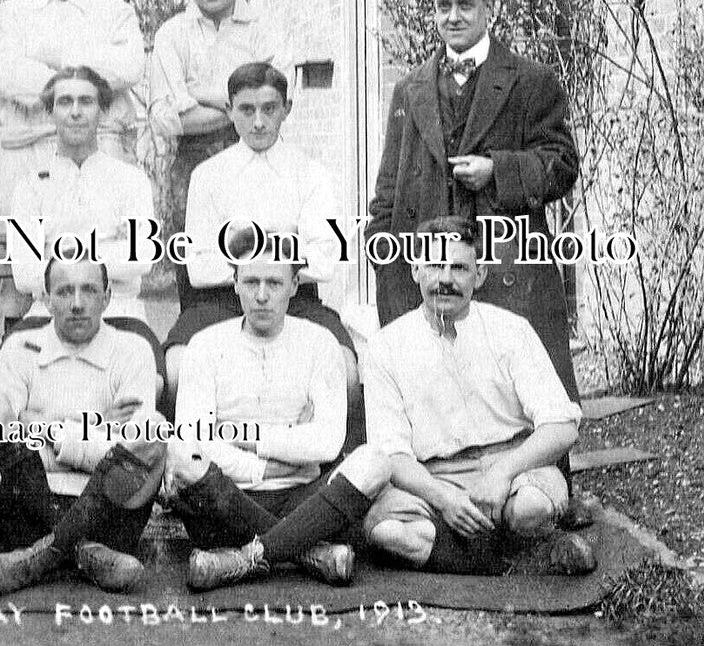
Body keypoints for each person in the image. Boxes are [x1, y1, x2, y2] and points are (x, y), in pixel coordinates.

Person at [365, 0, 580, 422]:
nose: (453, 16)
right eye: (443, 6)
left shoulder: (530, 81)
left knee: (517, 394)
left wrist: (497, 171)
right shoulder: (411, 88)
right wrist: (387, 267)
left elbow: (562, 164)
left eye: (465, 4)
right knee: (431, 400)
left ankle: (534, 479)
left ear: (489, 9)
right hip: (429, 268)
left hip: (506, 265)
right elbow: (387, 191)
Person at [362, 216, 595, 576]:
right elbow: (391, 453)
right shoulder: (385, 346)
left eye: (458, 268)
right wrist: (444, 498)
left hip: (514, 468)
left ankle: (469, 548)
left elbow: (562, 427)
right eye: (434, 266)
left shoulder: (511, 329)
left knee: (531, 507)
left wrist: (503, 473)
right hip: (434, 477)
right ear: (415, 270)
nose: (445, 279)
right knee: (385, 532)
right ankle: (517, 555)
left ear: (480, 274)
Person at [167, 234, 389, 590]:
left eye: (274, 282)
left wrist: (241, 437)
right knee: (182, 455)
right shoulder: (204, 345)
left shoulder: (320, 343)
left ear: (295, 284)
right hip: (228, 496)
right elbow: (195, 441)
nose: (261, 295)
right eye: (251, 281)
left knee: (375, 461)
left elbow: (328, 442)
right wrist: (270, 461)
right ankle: (307, 550)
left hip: (304, 496)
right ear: (235, 282)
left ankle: (241, 560)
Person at [163, 62, 356, 421]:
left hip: (295, 300)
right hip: (220, 303)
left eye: (269, 109)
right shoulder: (207, 176)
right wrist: (283, 246)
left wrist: (242, 247)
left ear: (287, 109)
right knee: (175, 369)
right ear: (228, 111)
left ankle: (333, 464)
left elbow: (325, 261)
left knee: (346, 371)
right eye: (246, 110)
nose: (258, 122)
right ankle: (187, 464)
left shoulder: (311, 173)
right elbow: (200, 269)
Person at [0, 257, 167, 594]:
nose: (77, 304)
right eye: (64, 292)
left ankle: (39, 556)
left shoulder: (133, 350)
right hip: (31, 502)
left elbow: (136, 452)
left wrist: (47, 429)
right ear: (46, 298)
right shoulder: (19, 348)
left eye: (88, 290)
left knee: (153, 428)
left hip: (108, 512)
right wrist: (99, 430)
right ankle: (82, 553)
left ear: (107, 297)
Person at [0, 0, 144, 220]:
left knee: (105, 248)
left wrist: (47, 57)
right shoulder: (10, 14)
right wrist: (90, 68)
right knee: (25, 253)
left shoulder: (115, 13)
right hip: (25, 153)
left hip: (101, 149)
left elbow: (128, 68)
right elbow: (7, 75)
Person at [148, 0, 292, 259]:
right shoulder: (171, 35)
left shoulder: (266, 29)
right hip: (193, 164)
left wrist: (199, 94)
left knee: (268, 263)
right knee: (200, 270)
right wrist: (244, 107)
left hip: (262, 158)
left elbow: (280, 105)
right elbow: (166, 120)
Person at [7, 66, 157, 335]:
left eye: (86, 102)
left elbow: (142, 258)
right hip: (48, 314)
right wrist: (109, 249)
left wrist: (59, 252)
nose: (75, 112)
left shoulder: (131, 180)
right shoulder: (29, 186)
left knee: (152, 377)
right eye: (65, 102)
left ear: (102, 111)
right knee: (11, 367)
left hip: (120, 311)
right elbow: (24, 274)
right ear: (50, 112)